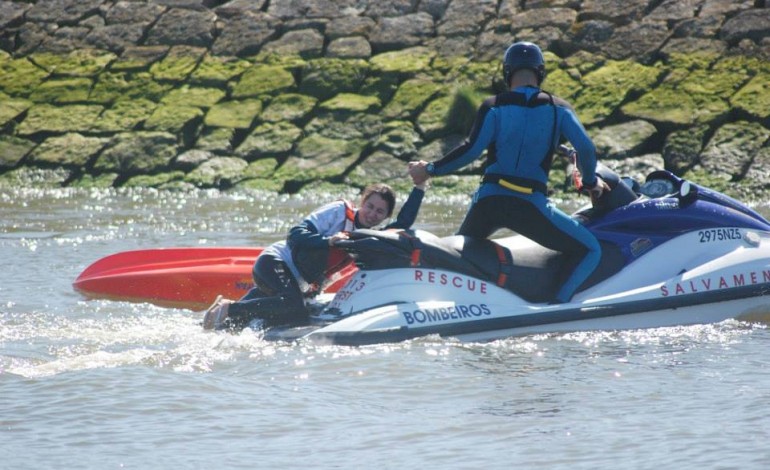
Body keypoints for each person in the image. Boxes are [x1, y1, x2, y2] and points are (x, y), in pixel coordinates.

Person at [408, 41, 609, 304]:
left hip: (489, 203)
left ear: (507, 72)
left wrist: (430, 170)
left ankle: (432, 303)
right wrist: (591, 182)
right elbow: (586, 148)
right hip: (530, 206)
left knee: (453, 257)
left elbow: (470, 151)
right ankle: (559, 306)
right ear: (540, 72)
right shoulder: (559, 108)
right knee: (591, 249)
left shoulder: (493, 106)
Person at [203, 180, 427, 330]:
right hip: (275, 263)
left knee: (230, 328)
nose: (372, 214)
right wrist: (328, 241)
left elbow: (403, 223)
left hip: (292, 281)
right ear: (362, 202)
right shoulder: (338, 211)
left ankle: (223, 318)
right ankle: (228, 307)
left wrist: (419, 187)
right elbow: (296, 234)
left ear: (385, 216)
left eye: (380, 212)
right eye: (370, 206)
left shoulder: (369, 236)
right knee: (295, 311)